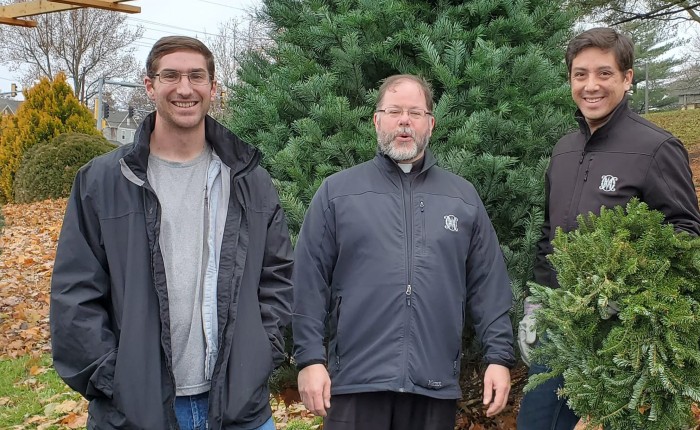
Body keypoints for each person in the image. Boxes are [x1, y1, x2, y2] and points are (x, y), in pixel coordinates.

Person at [50, 36, 293, 430]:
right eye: (171, 76)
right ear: (150, 85)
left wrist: (259, 354)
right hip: (137, 412)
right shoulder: (102, 181)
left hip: (237, 410)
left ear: (213, 88)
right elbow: (74, 292)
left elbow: (278, 277)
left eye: (197, 76)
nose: (185, 88)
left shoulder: (250, 180)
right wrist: (114, 379)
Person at [292, 74, 515, 430]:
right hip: (355, 385)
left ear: (431, 123)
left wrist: (499, 358)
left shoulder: (462, 197)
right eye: (394, 111)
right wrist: (309, 359)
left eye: (415, 112)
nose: (405, 121)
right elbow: (307, 281)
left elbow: (489, 285)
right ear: (377, 120)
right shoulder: (337, 193)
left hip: (433, 386)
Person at [517, 27, 700, 430]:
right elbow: (551, 233)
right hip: (560, 326)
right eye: (580, 74)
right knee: (537, 422)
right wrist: (536, 304)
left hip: (618, 334)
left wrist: (625, 289)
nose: (591, 85)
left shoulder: (655, 148)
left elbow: (686, 235)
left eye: (604, 73)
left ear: (627, 78)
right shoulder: (564, 150)